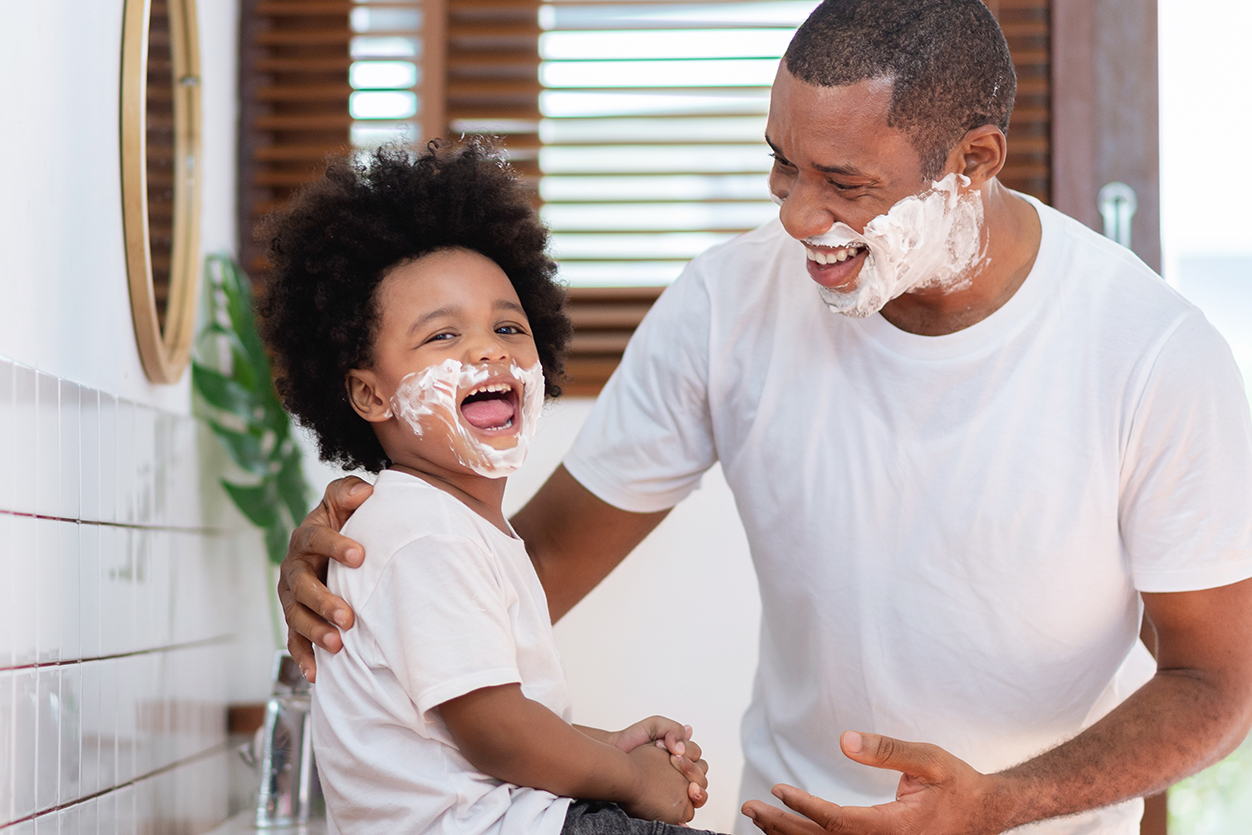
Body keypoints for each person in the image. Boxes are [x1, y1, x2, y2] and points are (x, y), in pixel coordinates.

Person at [275, 2, 1252, 834]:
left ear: (972, 161)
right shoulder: (726, 306)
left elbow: (1216, 682)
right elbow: (523, 577)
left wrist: (995, 803)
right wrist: (373, 581)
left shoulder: (1150, 356)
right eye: (783, 167)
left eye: (845, 183)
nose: (795, 215)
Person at [256, 141, 714, 835]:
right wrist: (634, 779)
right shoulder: (420, 528)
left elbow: (476, 726)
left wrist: (612, 747)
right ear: (369, 393)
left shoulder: (455, 526)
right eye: (442, 335)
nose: (489, 348)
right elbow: (494, 733)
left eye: (507, 326)